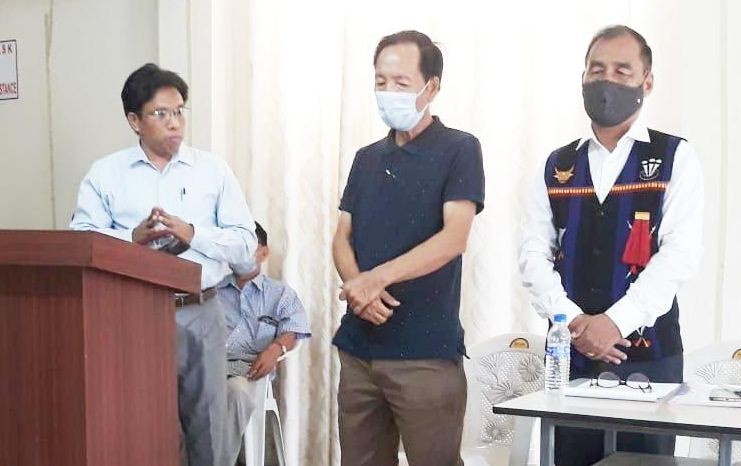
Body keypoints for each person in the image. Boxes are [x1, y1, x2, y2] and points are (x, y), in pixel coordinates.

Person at [519, 25, 704, 465]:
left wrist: (616, 323)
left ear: (647, 81)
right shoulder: (556, 164)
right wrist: (575, 323)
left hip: (649, 358)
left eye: (623, 70)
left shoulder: (675, 156)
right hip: (569, 357)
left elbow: (679, 255)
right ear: (583, 77)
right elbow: (532, 255)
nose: (608, 80)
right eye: (597, 69)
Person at [70, 63, 256, 466]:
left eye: (180, 111)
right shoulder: (105, 175)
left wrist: (193, 233)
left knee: (207, 425)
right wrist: (131, 240)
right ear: (134, 120)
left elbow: (245, 245)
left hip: (200, 310)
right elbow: (80, 242)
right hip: (130, 316)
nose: (175, 123)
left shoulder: (213, 170)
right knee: (139, 422)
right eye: (161, 114)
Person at [332, 30, 485, 466]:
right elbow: (341, 236)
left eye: (401, 82)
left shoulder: (459, 149)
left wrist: (376, 279)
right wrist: (358, 289)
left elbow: (454, 238)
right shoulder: (367, 157)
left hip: (424, 352)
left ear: (430, 87)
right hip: (360, 349)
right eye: (380, 81)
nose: (388, 92)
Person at [218, 221, 311, 465]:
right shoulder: (211, 290)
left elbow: (294, 329)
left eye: (247, 245)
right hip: (209, 369)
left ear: (264, 252)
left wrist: (276, 348)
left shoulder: (280, 294)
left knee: (236, 392)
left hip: (250, 372)